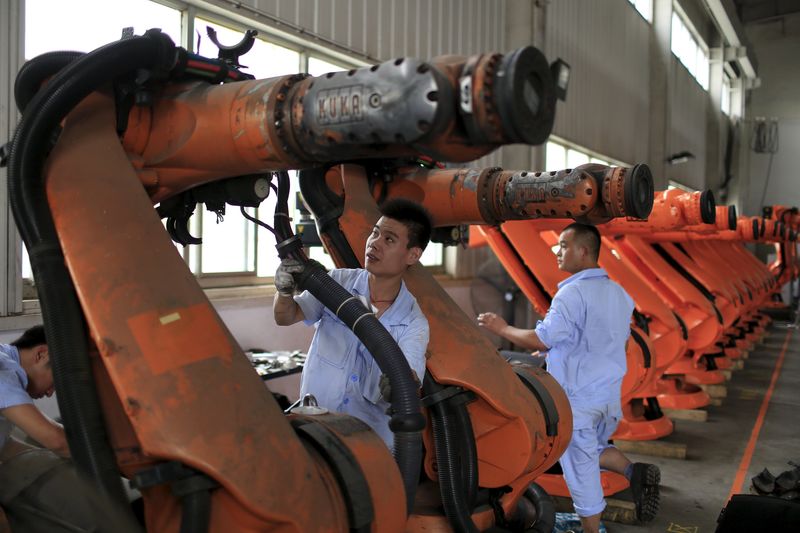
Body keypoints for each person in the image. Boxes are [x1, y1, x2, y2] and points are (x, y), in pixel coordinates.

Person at [477, 222, 660, 532]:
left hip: (578, 399)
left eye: (563, 245)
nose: (556, 252)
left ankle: (590, 530)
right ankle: (635, 474)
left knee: (580, 466)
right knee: (596, 448)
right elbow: (610, 341)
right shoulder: (618, 293)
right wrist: (555, 356)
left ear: (583, 250)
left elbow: (542, 338)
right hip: (608, 396)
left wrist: (501, 328)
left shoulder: (571, 294)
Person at [273, 199, 431, 450]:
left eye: (389, 239)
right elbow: (285, 317)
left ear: (413, 255)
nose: (374, 243)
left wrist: (400, 386)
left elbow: (410, 379)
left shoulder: (413, 323)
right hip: (316, 430)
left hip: (370, 445)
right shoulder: (336, 283)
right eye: (375, 233)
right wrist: (283, 291)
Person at [0, 325, 137, 532]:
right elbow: (56, 440)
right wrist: (126, 464)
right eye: (56, 383)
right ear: (41, 354)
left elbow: (6, 443)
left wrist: (47, 456)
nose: (50, 394)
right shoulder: (3, 371)